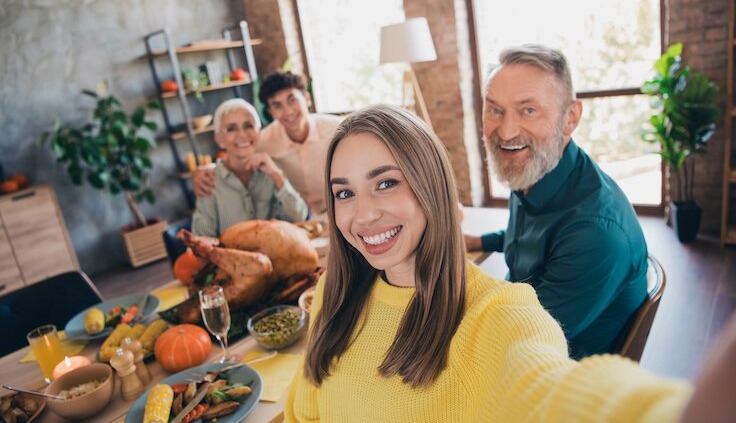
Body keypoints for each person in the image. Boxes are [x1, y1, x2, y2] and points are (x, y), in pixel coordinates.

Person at [284, 104, 736, 423]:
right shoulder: (332, 294)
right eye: (344, 192)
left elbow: (548, 390)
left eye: (385, 183)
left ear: (432, 185)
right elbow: (303, 411)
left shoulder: (498, 316)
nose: (363, 214)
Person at [464, 44, 647, 359]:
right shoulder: (534, 170)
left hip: (554, 370)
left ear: (570, 118)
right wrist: (478, 240)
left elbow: (522, 336)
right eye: (495, 109)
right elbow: (532, 236)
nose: (506, 132)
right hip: (518, 313)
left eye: (528, 110)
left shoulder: (594, 232)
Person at [193, 71, 342, 216]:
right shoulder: (263, 140)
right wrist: (204, 170)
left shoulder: (336, 130)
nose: (288, 111)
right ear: (271, 112)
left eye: (292, 100)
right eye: (277, 106)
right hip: (300, 216)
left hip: (340, 207)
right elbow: (238, 155)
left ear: (307, 98)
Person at [191, 98, 308, 237]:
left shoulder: (270, 171)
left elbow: (299, 217)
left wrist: (277, 176)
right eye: (231, 129)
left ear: (258, 133)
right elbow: (202, 239)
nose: (242, 135)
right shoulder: (208, 180)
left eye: (248, 126)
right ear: (219, 140)